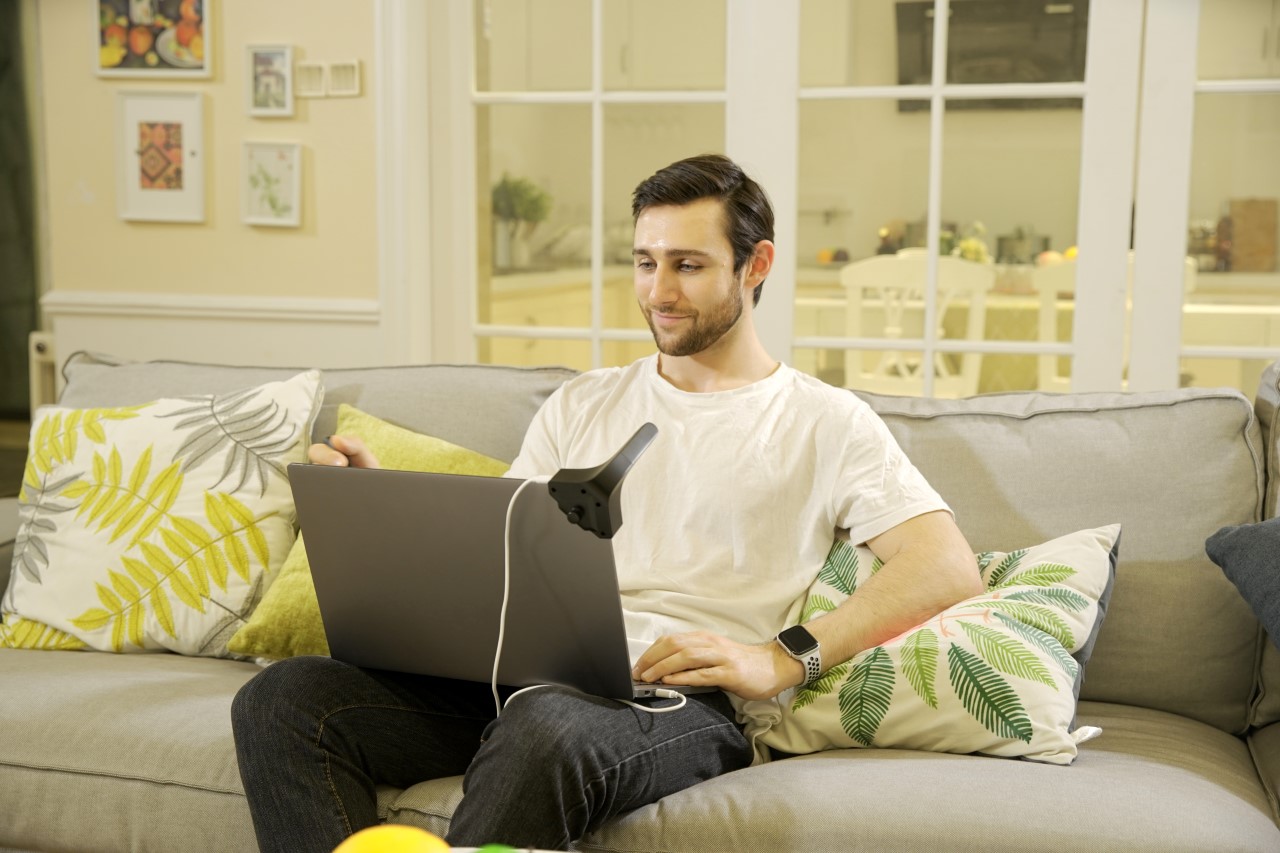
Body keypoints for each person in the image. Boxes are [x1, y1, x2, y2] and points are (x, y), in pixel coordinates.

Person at [231, 153, 981, 852]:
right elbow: (496, 559)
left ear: (756, 265)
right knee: (286, 698)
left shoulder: (825, 420)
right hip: (522, 682)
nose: (659, 292)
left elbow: (945, 566)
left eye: (688, 265)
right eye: (646, 262)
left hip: (681, 702)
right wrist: (382, 507)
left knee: (547, 725)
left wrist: (782, 658)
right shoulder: (584, 402)